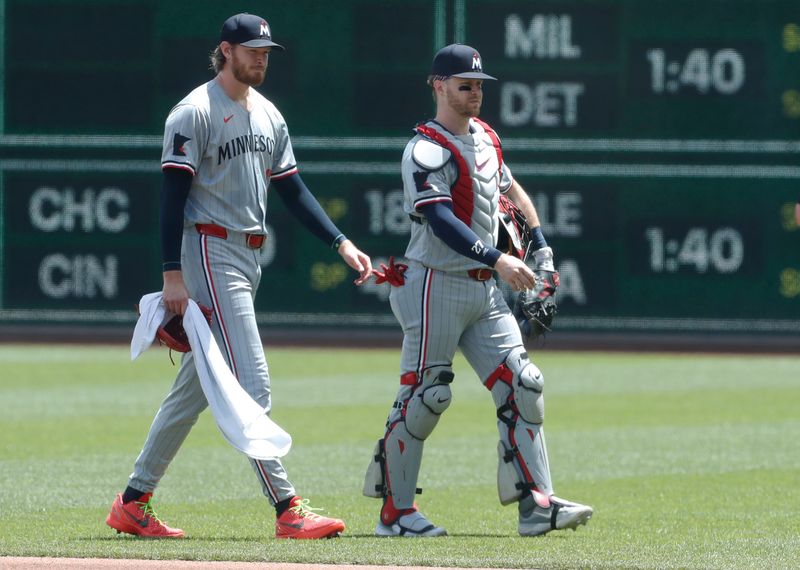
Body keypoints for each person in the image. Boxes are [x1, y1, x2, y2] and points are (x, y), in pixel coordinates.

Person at [106, 13, 372, 540]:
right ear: (225, 51)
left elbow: (292, 189)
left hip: (246, 256)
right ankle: (288, 508)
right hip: (207, 250)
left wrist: (341, 242)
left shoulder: (270, 115)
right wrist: (171, 277)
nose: (261, 58)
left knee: (196, 390)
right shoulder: (194, 112)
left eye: (267, 51)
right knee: (253, 382)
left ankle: (133, 501)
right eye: (252, 50)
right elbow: (171, 199)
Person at [362, 44, 592, 537]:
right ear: (438, 85)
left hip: (484, 290)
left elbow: (510, 190)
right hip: (435, 284)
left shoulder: (486, 137)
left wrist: (541, 245)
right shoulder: (426, 147)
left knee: (522, 384)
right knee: (425, 397)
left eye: (479, 84)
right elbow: (439, 218)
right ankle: (395, 514)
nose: (474, 92)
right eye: (464, 84)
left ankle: (536, 505)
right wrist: (497, 257)